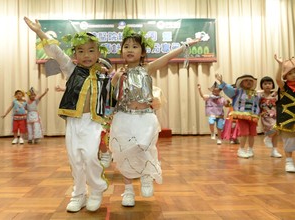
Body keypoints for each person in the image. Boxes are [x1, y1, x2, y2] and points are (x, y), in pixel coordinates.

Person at [24, 17, 108, 212]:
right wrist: (40, 32)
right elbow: (57, 53)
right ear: (75, 54)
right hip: (73, 122)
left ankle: (96, 190)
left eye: (90, 50)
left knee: (90, 157)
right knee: (75, 159)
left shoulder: (104, 75)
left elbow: (110, 99)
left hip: (93, 123)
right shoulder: (71, 70)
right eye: (81, 51)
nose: (86, 55)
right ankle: (79, 194)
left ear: (98, 53)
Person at [110, 25, 199, 207]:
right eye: (126, 46)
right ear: (121, 51)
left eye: (135, 46)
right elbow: (110, 98)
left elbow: (166, 58)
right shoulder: (118, 73)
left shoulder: (147, 69)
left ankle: (146, 176)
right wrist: (115, 80)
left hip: (145, 118)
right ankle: (128, 191)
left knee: (144, 148)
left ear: (142, 52)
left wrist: (185, 45)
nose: (130, 49)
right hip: (123, 117)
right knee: (124, 152)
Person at [216, 73, 261, 159]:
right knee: (244, 133)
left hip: (253, 117)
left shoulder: (256, 93)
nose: (249, 82)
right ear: (241, 83)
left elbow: (260, 103)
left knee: (252, 133)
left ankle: (250, 149)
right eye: (246, 80)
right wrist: (222, 82)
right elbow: (228, 89)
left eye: (250, 81)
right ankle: (241, 149)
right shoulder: (237, 92)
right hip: (242, 116)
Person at [274, 54, 295, 172]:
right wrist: (280, 65)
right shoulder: (284, 87)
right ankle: (289, 162)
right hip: (287, 119)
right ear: (286, 76)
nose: (294, 75)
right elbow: (277, 79)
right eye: (290, 73)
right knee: (289, 141)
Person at [98, 57, 116, 168]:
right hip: (98, 111)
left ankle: (108, 154)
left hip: (111, 111)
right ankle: (104, 154)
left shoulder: (112, 78)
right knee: (100, 134)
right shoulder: (94, 78)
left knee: (108, 134)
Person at [258, 76, 282, 158]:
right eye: (265, 84)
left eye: (269, 83)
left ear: (272, 85)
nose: (267, 85)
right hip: (265, 116)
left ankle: (274, 150)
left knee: (276, 132)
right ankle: (268, 137)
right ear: (262, 85)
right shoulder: (259, 95)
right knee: (272, 128)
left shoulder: (276, 94)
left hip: (275, 115)